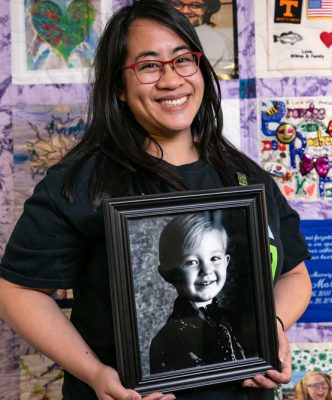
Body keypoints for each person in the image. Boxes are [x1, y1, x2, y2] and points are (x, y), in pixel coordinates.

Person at [0, 1, 312, 399]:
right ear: (119, 87)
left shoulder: (244, 175)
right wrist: (95, 374)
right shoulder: (83, 180)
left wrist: (273, 327)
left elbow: (293, 274)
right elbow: (17, 292)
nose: (171, 80)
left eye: (183, 60)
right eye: (148, 66)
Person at [149, 213, 245, 373]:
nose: (206, 270)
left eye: (214, 258)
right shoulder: (171, 338)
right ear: (167, 273)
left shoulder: (234, 321)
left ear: (226, 262)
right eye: (192, 262)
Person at [171, 0, 235, 77]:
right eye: (176, 4)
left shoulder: (214, 39)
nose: (185, 10)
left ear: (208, 9)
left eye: (196, 5)